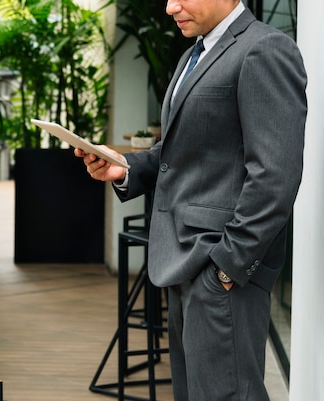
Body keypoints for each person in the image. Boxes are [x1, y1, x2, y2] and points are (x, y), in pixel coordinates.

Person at [75, 1, 307, 400]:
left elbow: (275, 177)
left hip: (219, 271)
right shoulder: (194, 53)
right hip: (182, 263)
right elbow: (184, 152)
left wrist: (227, 268)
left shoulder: (265, 49)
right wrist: (126, 168)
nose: (170, 7)